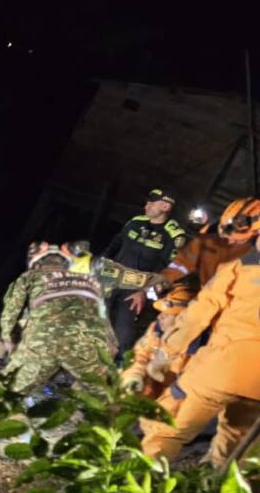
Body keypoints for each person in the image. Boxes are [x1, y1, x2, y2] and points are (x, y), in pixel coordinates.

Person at [139, 233, 260, 466]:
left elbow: (196, 316)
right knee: (235, 443)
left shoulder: (238, 269)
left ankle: (135, 489)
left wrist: (166, 353)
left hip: (221, 368)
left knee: (166, 430)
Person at [0, 242, 116, 394]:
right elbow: (102, 316)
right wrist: (109, 345)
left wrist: (6, 338)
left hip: (44, 343)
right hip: (84, 346)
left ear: (36, 263)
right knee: (102, 392)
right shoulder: (88, 281)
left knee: (8, 387)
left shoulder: (30, 277)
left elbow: (11, 311)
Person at [130, 198, 260, 307]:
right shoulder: (209, 238)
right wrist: (148, 291)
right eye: (226, 237)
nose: (231, 242)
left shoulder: (253, 254)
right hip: (206, 299)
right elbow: (179, 267)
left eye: (238, 240)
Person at [101, 189, 186, 352]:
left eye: (151, 203)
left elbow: (170, 272)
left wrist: (146, 293)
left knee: (123, 334)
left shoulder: (174, 235)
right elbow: (115, 245)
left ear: (165, 206)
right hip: (110, 281)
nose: (146, 206)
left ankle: (117, 369)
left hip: (135, 291)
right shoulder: (135, 221)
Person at [119, 285, 193, 398]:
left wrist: (160, 376)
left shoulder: (190, 345)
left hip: (172, 395)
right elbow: (141, 355)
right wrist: (135, 375)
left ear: (181, 318)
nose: (159, 317)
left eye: (167, 314)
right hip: (149, 386)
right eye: (161, 312)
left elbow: (187, 383)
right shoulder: (155, 330)